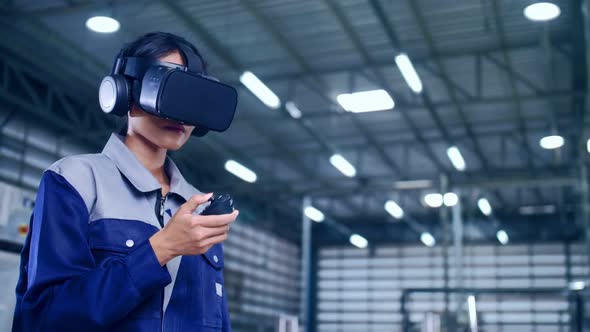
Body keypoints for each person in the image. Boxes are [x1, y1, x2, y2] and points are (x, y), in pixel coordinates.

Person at [11, 32, 239, 331]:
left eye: (192, 97)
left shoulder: (198, 208)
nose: (181, 113)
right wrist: (161, 249)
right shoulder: (76, 180)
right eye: (167, 88)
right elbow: (45, 317)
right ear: (123, 92)